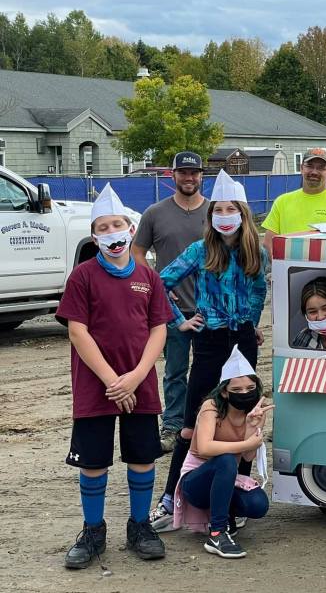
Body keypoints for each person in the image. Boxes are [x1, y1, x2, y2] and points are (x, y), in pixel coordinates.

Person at [56, 184, 174, 569]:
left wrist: (136, 377)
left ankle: (140, 526)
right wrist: (113, 381)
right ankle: (93, 531)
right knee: (93, 462)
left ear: (130, 228)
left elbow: (159, 329)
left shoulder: (147, 276)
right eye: (103, 228)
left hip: (139, 385)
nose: (112, 234)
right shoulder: (82, 276)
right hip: (95, 386)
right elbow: (77, 331)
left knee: (142, 457)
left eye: (118, 225)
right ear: (94, 236)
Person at [149, 170, 268, 532]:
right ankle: (170, 498)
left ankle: (235, 496)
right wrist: (178, 322)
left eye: (231, 209)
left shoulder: (256, 253)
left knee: (243, 419)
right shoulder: (201, 251)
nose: (225, 215)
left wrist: (250, 322)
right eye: (218, 209)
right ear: (211, 215)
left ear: (242, 215)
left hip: (243, 343)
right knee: (190, 425)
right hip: (209, 342)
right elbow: (159, 282)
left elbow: (259, 291)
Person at [132, 150, 209, 453]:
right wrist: (156, 283)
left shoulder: (215, 212)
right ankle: (173, 426)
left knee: (208, 370)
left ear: (202, 176)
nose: (189, 178)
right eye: (183, 173)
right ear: (173, 175)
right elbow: (138, 252)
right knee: (175, 371)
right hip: (171, 308)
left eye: (195, 173)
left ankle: (205, 426)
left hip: (209, 309)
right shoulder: (155, 213)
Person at [171, 345, 271, 559]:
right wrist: (245, 444)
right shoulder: (211, 407)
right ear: (225, 392)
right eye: (237, 390)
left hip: (225, 479)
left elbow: (247, 457)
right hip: (195, 482)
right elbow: (206, 448)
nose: (244, 393)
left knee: (258, 505)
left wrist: (253, 427)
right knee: (225, 459)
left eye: (249, 388)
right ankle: (217, 532)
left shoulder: (252, 412)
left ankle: (226, 517)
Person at [262, 148, 326, 255]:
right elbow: (269, 244)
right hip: (288, 269)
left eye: (321, 168)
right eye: (309, 166)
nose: (314, 172)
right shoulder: (282, 202)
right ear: (301, 168)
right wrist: (283, 268)